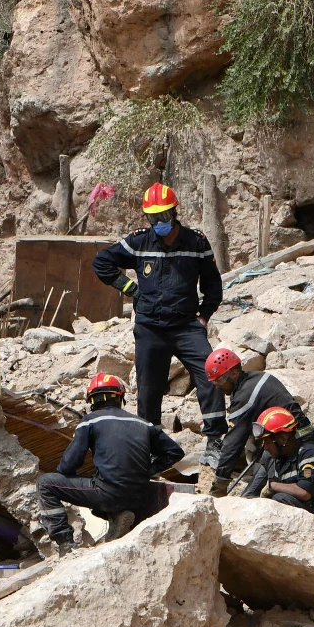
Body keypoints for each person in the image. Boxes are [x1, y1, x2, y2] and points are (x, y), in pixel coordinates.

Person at [92, 183, 228, 467]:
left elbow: (213, 285)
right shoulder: (139, 242)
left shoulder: (196, 242)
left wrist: (204, 317)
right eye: (153, 218)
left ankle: (215, 440)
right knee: (149, 389)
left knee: (210, 374)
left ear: (174, 212)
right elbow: (102, 262)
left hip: (185, 326)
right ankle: (149, 447)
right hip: (150, 328)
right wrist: (130, 287)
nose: (159, 223)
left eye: (163, 217)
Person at [36, 373, 185, 554]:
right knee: (101, 483)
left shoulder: (90, 421)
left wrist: (70, 473)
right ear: (120, 397)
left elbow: (68, 466)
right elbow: (175, 452)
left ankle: (66, 545)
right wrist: (147, 470)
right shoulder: (143, 423)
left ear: (92, 401)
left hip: (108, 493)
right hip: (141, 494)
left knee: (46, 484)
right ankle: (116, 516)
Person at [204, 348, 314, 497]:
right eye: (214, 382)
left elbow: (233, 442)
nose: (218, 386)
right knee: (251, 494)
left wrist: (220, 483)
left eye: (219, 380)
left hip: (296, 448)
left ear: (234, 373)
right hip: (285, 444)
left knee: (269, 497)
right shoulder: (255, 379)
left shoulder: (246, 395)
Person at [244, 407, 314, 513]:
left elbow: (304, 492)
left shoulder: (310, 454)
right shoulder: (280, 461)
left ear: (283, 439)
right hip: (307, 510)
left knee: (279, 499)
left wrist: (272, 485)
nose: (265, 448)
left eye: (268, 442)